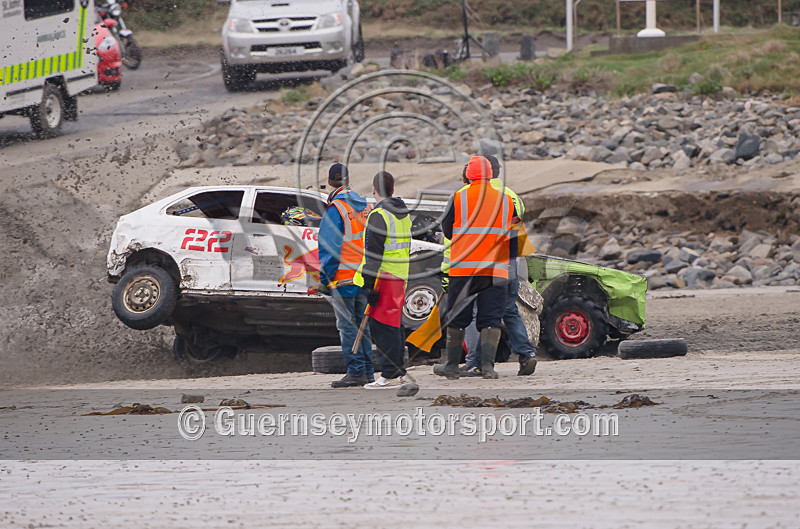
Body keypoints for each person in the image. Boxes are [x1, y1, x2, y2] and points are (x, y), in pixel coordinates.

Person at [438, 155, 514, 380]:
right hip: (495, 270)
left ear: (468, 175)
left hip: (464, 269)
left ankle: (452, 366)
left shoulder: (459, 198)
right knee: (491, 318)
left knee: (457, 317)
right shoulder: (505, 200)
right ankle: (488, 367)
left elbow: (447, 231)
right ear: (490, 174)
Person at [462, 155, 538, 377]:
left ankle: (476, 362)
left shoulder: (472, 194)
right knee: (509, 310)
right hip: (510, 260)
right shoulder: (512, 196)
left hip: (484, 263)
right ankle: (527, 354)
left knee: (478, 313)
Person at [353, 171, 412, 389]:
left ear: (374, 190)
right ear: (393, 189)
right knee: (395, 325)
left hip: (384, 276)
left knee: (384, 326)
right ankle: (398, 371)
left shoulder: (379, 215)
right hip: (400, 274)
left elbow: (373, 253)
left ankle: (389, 374)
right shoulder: (402, 214)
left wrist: (369, 285)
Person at [318, 163, 374, 388]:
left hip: (342, 278)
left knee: (347, 327)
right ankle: (368, 371)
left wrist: (325, 279)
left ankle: (356, 372)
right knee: (362, 325)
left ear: (329, 182)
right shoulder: (365, 206)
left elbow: (329, 248)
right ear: (348, 180)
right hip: (362, 276)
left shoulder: (336, 209)